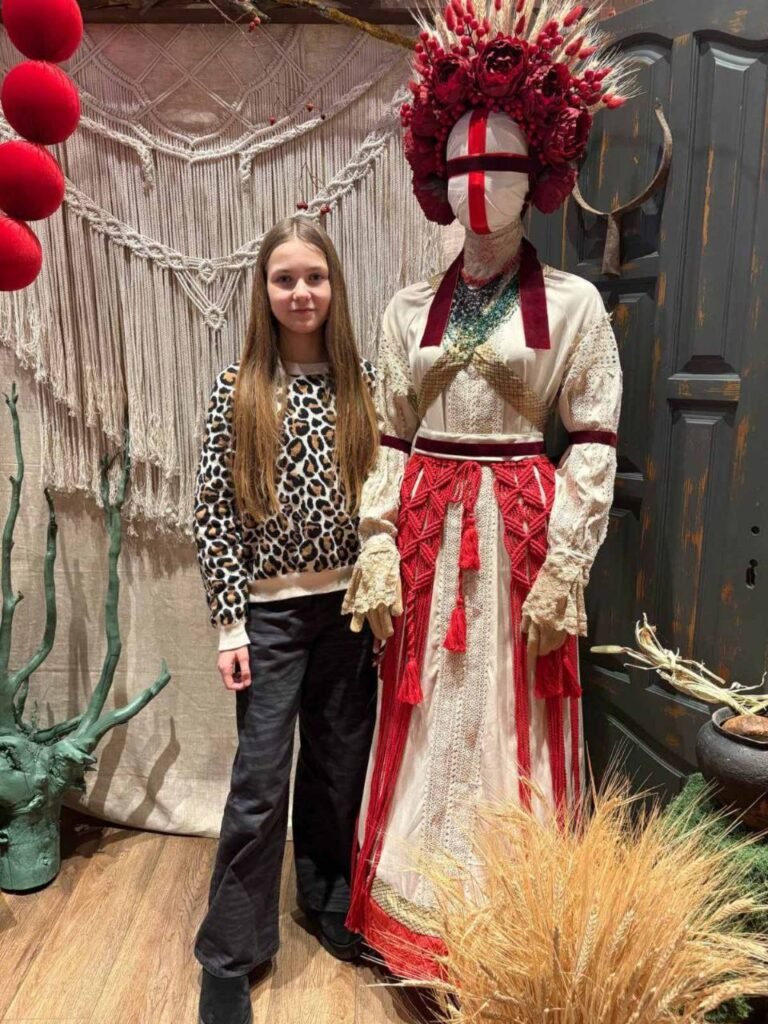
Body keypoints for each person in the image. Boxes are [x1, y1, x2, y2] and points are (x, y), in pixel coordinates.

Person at [341, 0, 634, 980]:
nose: (480, 186)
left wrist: (566, 566)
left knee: (514, 710)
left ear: (537, 174)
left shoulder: (577, 307)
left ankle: (511, 919)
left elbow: (593, 442)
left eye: (500, 165)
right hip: (427, 528)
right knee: (424, 706)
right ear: (438, 174)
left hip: (520, 534)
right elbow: (387, 433)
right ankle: (413, 910)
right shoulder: (406, 307)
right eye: (463, 165)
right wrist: (377, 539)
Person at [193, 217, 379, 1024]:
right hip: (268, 619)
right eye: (285, 279)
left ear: (333, 286)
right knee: (260, 785)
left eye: (315, 277)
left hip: (348, 615)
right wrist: (230, 623)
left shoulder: (363, 384)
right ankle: (230, 953)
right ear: (264, 291)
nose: (301, 292)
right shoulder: (239, 388)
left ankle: (327, 898)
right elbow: (213, 511)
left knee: (339, 768)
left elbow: (384, 495)